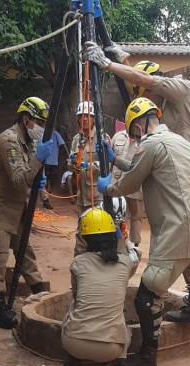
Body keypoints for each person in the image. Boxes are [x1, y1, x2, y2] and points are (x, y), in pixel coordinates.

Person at [97, 98, 190, 366]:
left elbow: (131, 180)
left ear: (138, 125)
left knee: (146, 296)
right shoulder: (180, 142)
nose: (134, 138)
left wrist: (108, 189)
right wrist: (115, 158)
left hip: (177, 232)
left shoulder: (151, 144)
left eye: (133, 132)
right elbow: (142, 167)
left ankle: (147, 357)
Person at [83, 42, 190, 198]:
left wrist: (108, 64)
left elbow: (144, 80)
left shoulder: (185, 91)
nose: (143, 103)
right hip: (171, 179)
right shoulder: (155, 115)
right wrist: (124, 60)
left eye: (143, 96)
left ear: (152, 89)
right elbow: (137, 88)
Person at [0, 96, 54, 329]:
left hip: (16, 205)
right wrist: (38, 160)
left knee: (25, 251)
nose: (41, 129)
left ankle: (39, 293)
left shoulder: (27, 141)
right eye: (39, 122)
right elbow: (21, 178)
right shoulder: (8, 141)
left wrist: (39, 186)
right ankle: (0, 307)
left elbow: (29, 178)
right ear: (25, 119)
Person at [61, 209, 140, 366]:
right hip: (110, 348)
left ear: (85, 239)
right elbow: (136, 254)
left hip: (73, 342)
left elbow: (76, 295)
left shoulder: (78, 263)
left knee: (75, 303)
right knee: (119, 316)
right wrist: (124, 239)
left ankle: (73, 360)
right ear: (114, 235)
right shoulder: (125, 264)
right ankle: (108, 364)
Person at [69, 100, 111, 256]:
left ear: (94, 118)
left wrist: (89, 166)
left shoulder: (102, 138)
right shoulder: (76, 140)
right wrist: (74, 162)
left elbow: (107, 164)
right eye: (81, 116)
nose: (85, 119)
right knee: (81, 234)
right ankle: (80, 266)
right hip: (82, 197)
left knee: (99, 232)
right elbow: (70, 164)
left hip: (98, 196)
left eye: (88, 115)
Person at [111, 129, 145, 247]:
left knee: (136, 218)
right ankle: (118, 245)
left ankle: (135, 247)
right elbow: (110, 160)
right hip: (118, 184)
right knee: (118, 216)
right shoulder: (118, 136)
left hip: (137, 186)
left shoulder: (145, 139)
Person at [45, 130, 70, 194]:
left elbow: (63, 144)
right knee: (48, 174)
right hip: (47, 159)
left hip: (52, 159)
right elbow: (63, 144)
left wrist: (68, 155)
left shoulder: (55, 133)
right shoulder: (45, 132)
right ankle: (48, 187)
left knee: (50, 174)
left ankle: (50, 187)